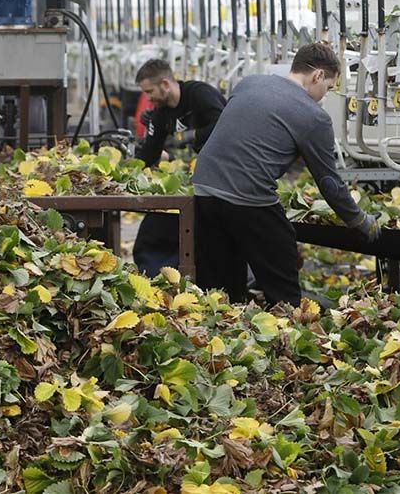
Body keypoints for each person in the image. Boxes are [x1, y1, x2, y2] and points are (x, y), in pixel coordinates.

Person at [192, 42, 380, 307]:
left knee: (219, 283)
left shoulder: (249, 83)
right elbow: (328, 182)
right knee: (281, 257)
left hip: (204, 186)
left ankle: (222, 328)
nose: (324, 96)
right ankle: (288, 319)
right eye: (327, 88)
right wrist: (359, 220)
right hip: (246, 194)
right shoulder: (314, 116)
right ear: (317, 76)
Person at [132, 59, 227, 275]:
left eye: (150, 91)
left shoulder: (199, 94)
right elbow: (149, 152)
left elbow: (226, 123)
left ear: (165, 83)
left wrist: (193, 135)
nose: (148, 98)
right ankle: (161, 272)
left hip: (223, 175)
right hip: (191, 180)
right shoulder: (160, 112)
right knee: (157, 226)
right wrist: (127, 173)